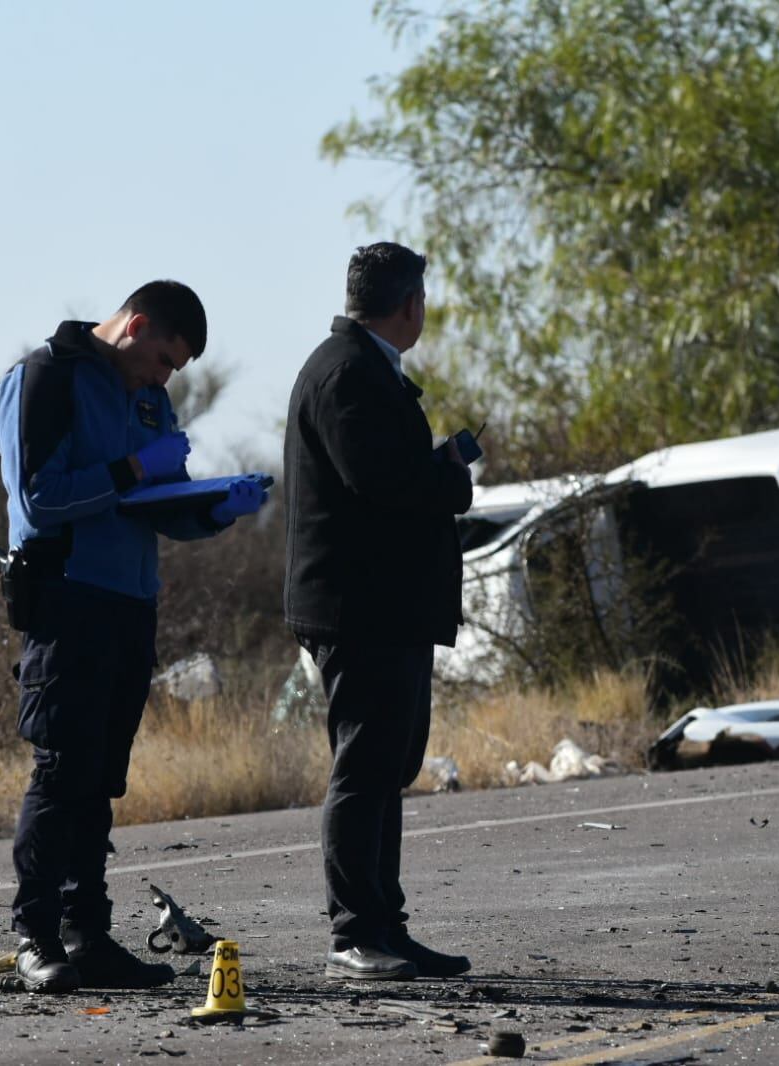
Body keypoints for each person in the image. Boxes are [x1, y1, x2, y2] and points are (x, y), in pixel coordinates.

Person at [0, 280, 267, 993]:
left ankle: (89, 936)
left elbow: (152, 506)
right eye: (163, 360)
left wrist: (214, 508)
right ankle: (36, 938)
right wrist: (135, 468)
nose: (164, 379)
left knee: (98, 783)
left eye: (173, 370)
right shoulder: (45, 377)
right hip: (67, 599)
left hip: (129, 603)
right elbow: (41, 500)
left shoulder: (147, 398)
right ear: (135, 325)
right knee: (61, 773)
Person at [283, 242, 475, 981]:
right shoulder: (347, 374)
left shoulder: (362, 369)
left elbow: (384, 480)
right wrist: (449, 476)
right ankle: (353, 934)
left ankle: (385, 927)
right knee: (364, 767)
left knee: (387, 764)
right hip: (356, 608)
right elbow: (382, 486)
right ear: (409, 305)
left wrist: (431, 470)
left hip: (384, 606)